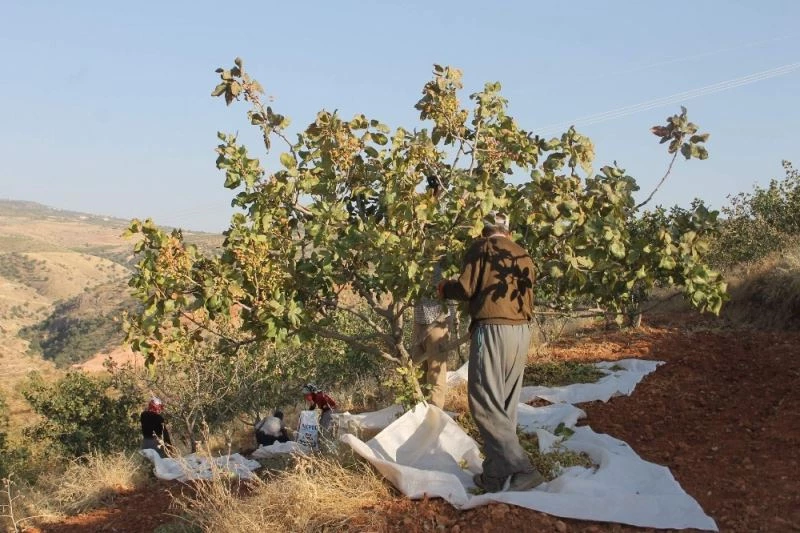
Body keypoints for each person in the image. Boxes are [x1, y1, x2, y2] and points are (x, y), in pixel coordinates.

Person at [438, 212, 544, 492]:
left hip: (493, 329)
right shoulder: (523, 254)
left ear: (485, 230)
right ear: (508, 231)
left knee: (484, 401)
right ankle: (496, 474)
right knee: (504, 403)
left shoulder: (481, 248)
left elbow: (464, 287)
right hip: (521, 332)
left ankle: (523, 467)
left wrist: (443, 288)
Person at [412, 264, 451, 409]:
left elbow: (450, 295)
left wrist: (442, 322)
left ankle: (434, 415)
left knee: (436, 373)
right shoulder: (416, 259)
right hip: (419, 320)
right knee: (415, 369)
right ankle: (418, 411)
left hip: (437, 322)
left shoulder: (443, 262)